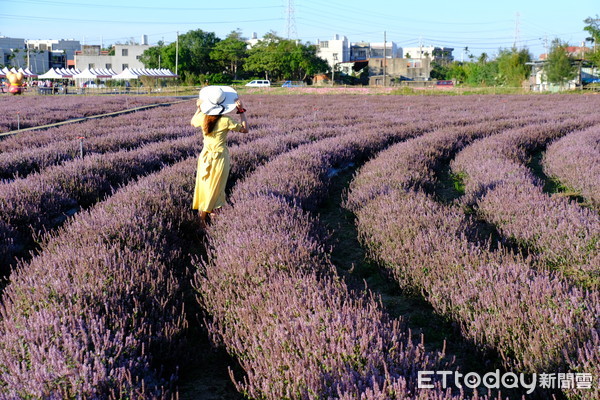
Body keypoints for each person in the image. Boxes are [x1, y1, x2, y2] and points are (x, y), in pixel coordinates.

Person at [191, 85, 249, 229]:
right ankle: (210, 219)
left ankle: (202, 221)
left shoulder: (203, 118)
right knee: (217, 188)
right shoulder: (226, 120)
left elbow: (192, 122)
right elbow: (245, 129)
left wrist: (199, 108)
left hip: (205, 158)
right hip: (220, 158)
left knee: (205, 187)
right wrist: (241, 110)